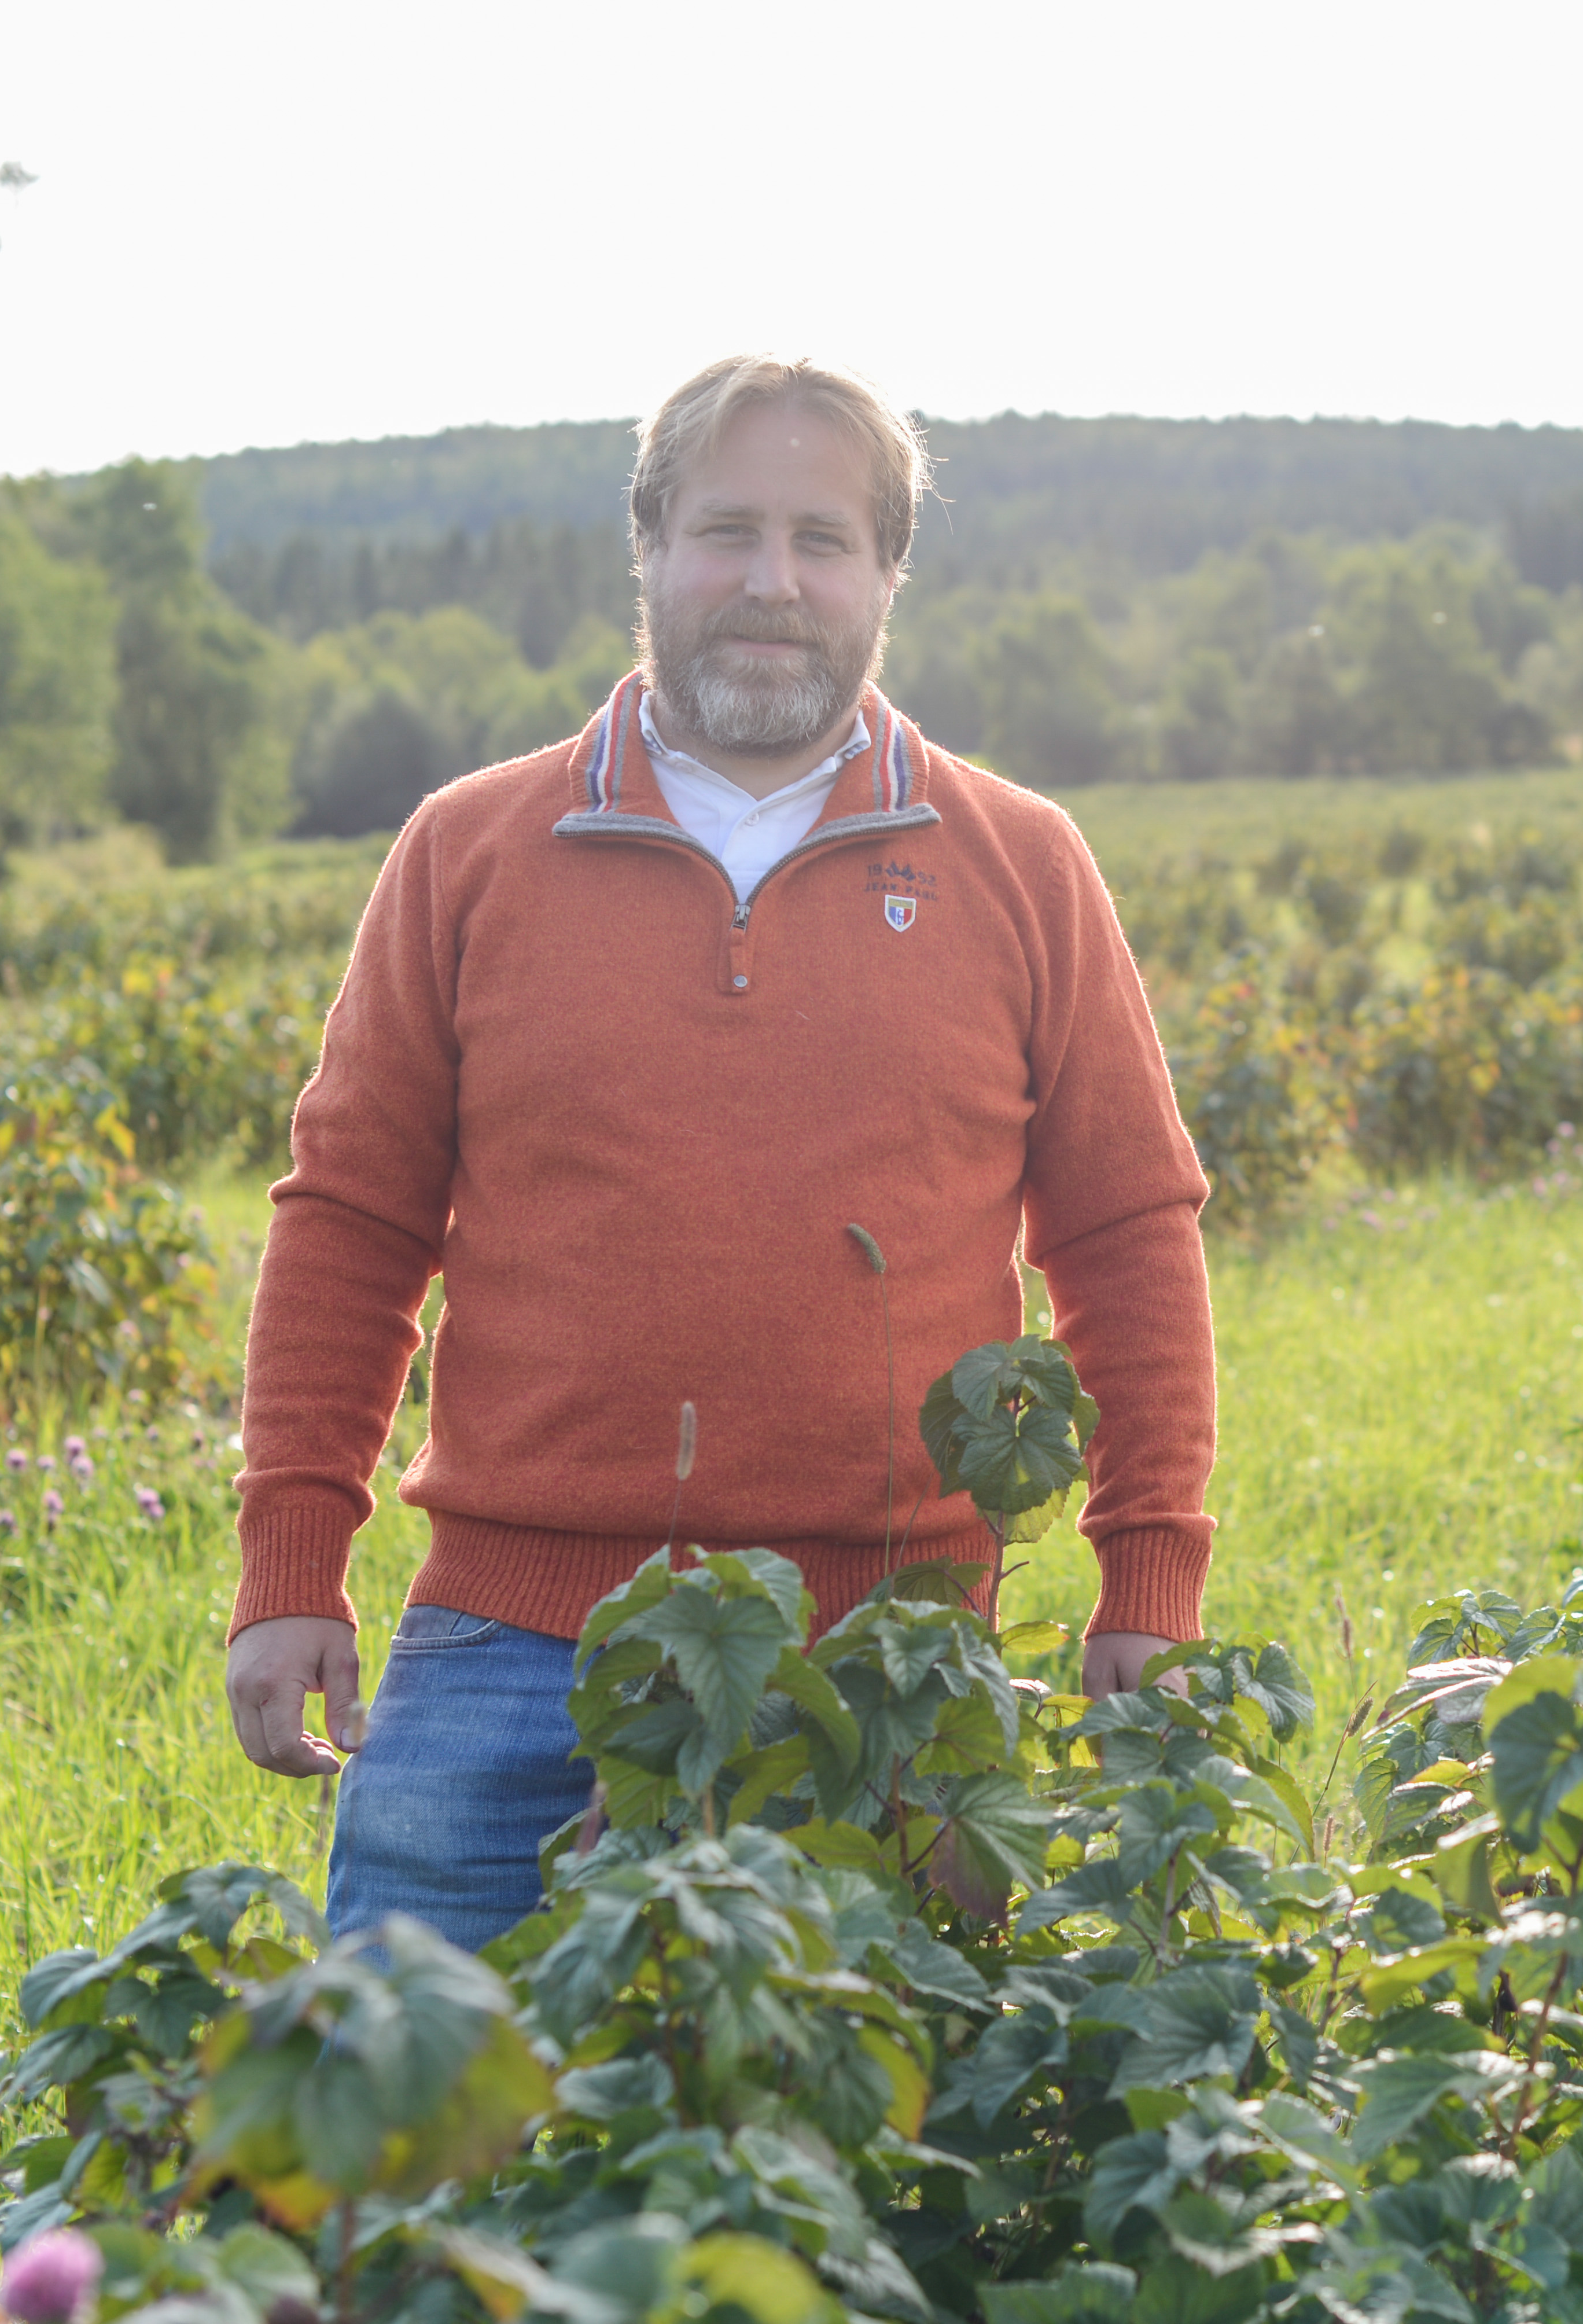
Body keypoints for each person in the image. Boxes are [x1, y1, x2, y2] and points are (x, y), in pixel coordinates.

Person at [220, 357, 1217, 1949]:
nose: (772, 584)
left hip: (887, 1666)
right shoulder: (469, 850)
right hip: (508, 1650)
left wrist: (1146, 1579)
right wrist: (291, 1566)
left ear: (889, 573)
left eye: (824, 541)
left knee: (865, 2169)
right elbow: (349, 1224)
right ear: (648, 547)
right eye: (726, 531)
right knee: (415, 2153)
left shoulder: (1022, 864)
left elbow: (1129, 1237)